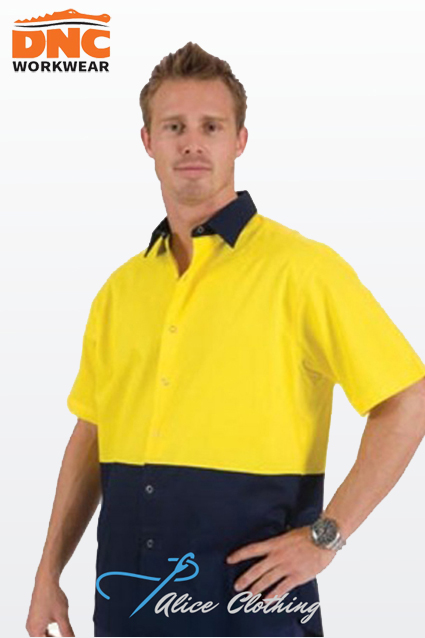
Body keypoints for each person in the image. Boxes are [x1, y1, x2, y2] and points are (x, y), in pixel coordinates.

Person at [26, 42, 425, 638]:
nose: (192, 143)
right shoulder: (121, 290)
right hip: (127, 606)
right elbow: (92, 432)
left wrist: (327, 536)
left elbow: (406, 399)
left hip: (253, 611)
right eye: (174, 127)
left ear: (239, 140)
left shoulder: (302, 271)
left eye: (210, 126)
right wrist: (47, 572)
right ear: (147, 141)